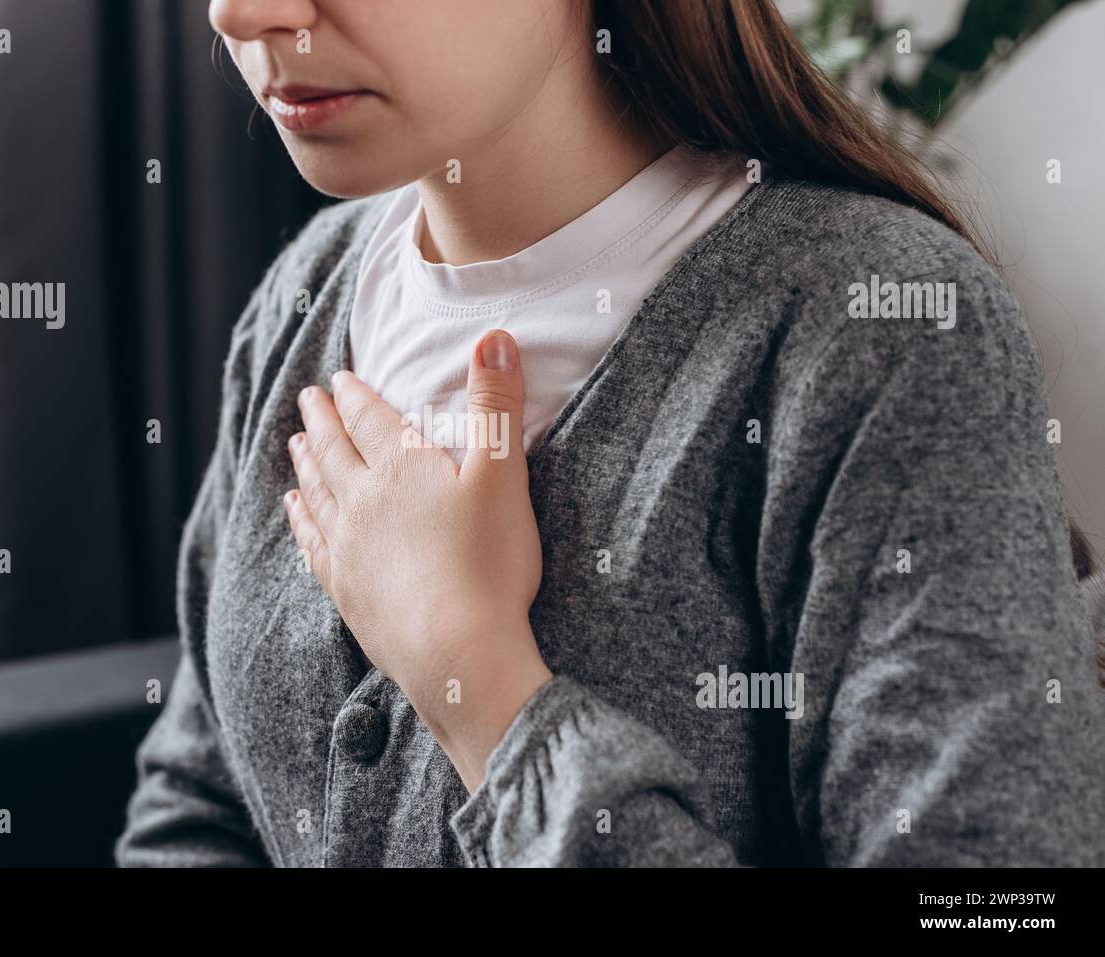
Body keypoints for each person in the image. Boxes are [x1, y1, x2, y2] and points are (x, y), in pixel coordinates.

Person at [116, 0, 1105, 867]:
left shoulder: (883, 335)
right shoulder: (305, 295)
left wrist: (481, 682)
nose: (240, 15)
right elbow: (195, 802)